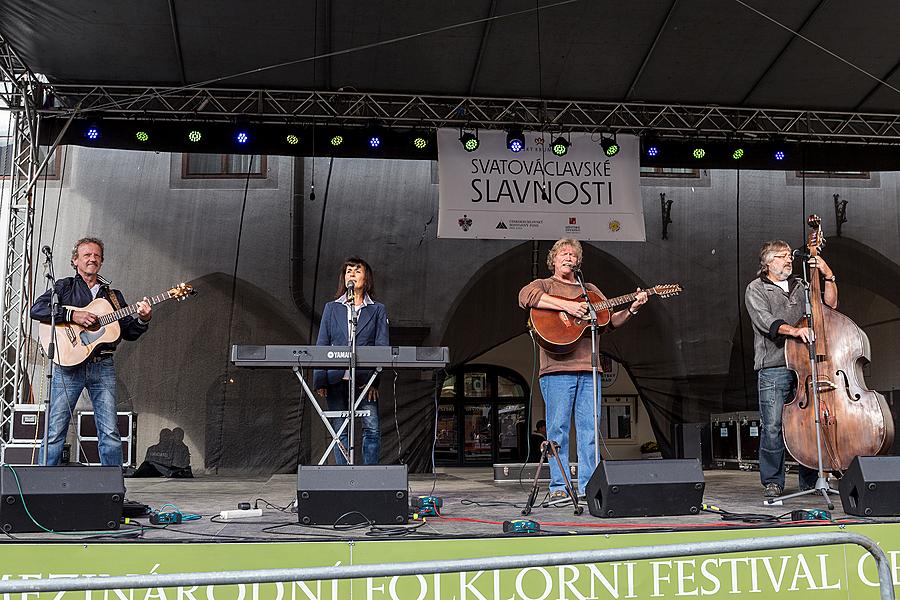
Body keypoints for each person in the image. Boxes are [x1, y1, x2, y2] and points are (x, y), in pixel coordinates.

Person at [518, 238, 647, 500]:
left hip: (590, 370)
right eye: (563, 254)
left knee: (590, 431)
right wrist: (568, 306)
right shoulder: (544, 285)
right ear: (553, 260)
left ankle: (589, 486)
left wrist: (632, 309)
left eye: (573, 255)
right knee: (558, 432)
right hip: (556, 370)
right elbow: (524, 296)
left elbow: (608, 323)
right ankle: (559, 488)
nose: (568, 257)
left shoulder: (590, 291)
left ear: (579, 262)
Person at [30, 237, 152, 467]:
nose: (92, 259)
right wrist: (72, 315)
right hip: (67, 367)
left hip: (102, 365)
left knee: (110, 431)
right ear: (75, 260)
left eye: (96, 256)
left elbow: (129, 332)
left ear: (101, 262)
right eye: (86, 255)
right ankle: (42, 487)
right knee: (56, 429)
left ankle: (112, 489)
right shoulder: (64, 286)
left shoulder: (113, 297)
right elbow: (37, 309)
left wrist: (143, 319)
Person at [745, 240, 837, 498]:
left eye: (789, 256)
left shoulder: (802, 285)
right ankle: (773, 482)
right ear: (768, 262)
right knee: (772, 425)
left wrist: (828, 275)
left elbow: (829, 307)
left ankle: (810, 480)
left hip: (805, 365)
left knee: (809, 423)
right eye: (782, 257)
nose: (789, 260)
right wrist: (795, 330)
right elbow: (766, 321)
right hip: (774, 366)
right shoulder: (756, 288)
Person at [314, 257, 390, 465]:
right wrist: (320, 379)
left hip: (365, 379)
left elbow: (381, 347)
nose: (352, 275)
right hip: (336, 379)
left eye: (357, 271)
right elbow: (323, 344)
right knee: (340, 430)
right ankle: (343, 473)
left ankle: (369, 474)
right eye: (348, 271)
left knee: (371, 428)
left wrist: (375, 381)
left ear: (366, 278)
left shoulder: (377, 309)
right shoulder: (331, 308)